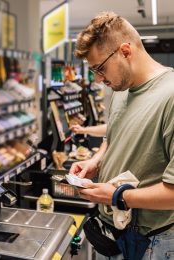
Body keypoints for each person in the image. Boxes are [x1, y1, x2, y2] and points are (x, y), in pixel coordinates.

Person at [70, 11, 174, 260]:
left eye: (100, 68)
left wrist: (118, 196)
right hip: (113, 230)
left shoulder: (170, 96)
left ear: (125, 51)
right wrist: (96, 162)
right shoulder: (121, 89)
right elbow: (112, 138)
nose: (98, 79)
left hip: (152, 241)